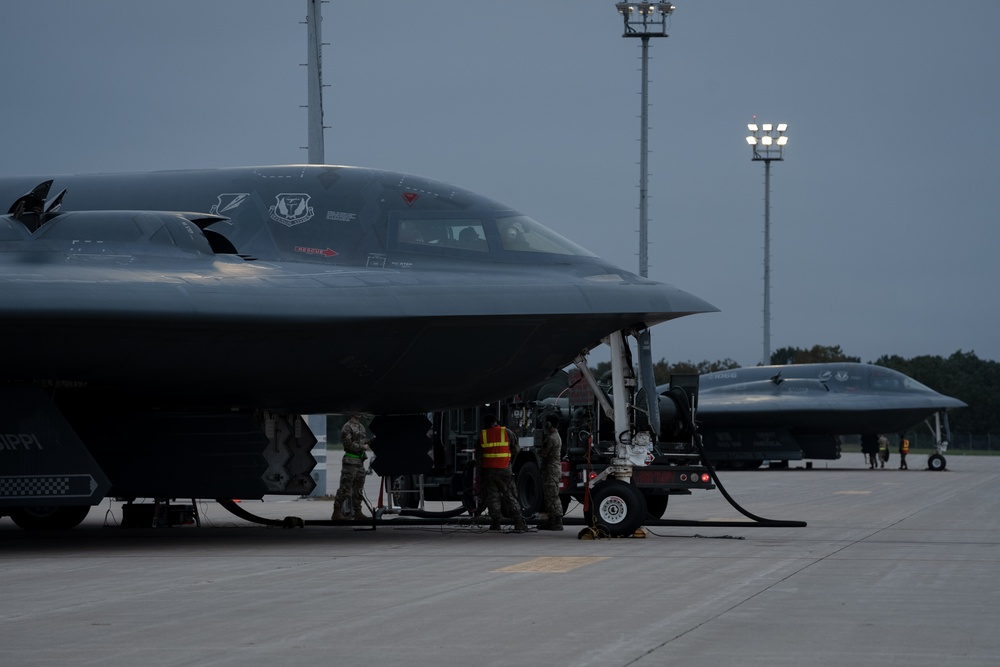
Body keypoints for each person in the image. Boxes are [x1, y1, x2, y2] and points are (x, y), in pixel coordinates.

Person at [475, 414, 527, 532]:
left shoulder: (482, 436)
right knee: (510, 495)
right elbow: (516, 450)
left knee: (493, 497)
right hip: (504, 470)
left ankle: (496, 523)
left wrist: (480, 475)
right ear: (495, 421)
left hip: (489, 472)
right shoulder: (507, 432)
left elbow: (479, 459)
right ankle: (518, 522)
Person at [332, 413, 370, 521]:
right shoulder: (347, 427)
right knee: (345, 488)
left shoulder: (361, 427)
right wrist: (363, 447)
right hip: (350, 462)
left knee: (358, 489)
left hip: (360, 461)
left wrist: (370, 441)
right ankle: (336, 512)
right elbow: (348, 445)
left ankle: (358, 512)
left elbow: (363, 441)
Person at [537, 415, 564, 531]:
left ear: (549, 424)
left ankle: (557, 521)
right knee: (550, 495)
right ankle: (552, 520)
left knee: (552, 496)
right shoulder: (556, 436)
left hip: (551, 470)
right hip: (553, 469)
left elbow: (542, 453)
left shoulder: (551, 438)